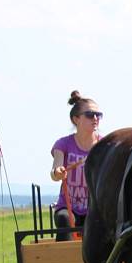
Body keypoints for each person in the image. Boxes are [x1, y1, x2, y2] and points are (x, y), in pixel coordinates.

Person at [50, 90, 102, 241]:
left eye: (98, 115)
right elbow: (54, 172)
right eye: (90, 114)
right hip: (67, 207)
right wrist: (58, 172)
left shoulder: (103, 144)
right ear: (76, 119)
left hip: (93, 209)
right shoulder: (63, 144)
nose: (95, 118)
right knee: (64, 219)